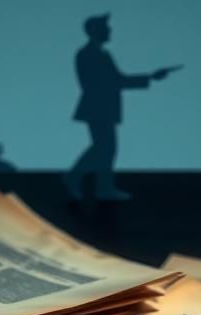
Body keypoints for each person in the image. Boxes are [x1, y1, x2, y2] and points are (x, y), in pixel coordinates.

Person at [63, 14, 176, 201]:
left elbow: (116, 79)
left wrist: (150, 77)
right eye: (106, 28)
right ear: (96, 31)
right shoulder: (86, 54)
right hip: (97, 108)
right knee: (104, 147)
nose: (110, 31)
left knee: (105, 148)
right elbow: (109, 81)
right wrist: (148, 78)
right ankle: (81, 181)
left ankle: (96, 185)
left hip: (104, 108)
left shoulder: (102, 54)